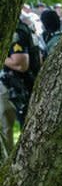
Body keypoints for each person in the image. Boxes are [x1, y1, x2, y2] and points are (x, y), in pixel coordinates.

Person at [1, 15, 40, 160]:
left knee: (11, 128)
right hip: (20, 85)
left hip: (18, 87)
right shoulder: (21, 27)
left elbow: (21, 64)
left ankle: (13, 162)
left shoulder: (16, 31)